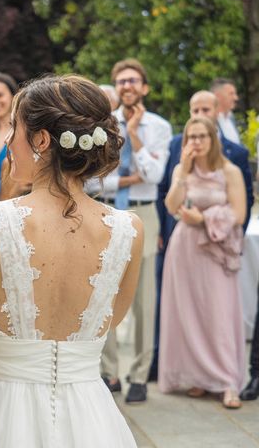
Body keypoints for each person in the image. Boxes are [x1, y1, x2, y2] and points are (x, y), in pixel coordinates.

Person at [0, 74, 143, 447]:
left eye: (12, 129)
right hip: (91, 418)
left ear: (40, 140)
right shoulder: (128, 229)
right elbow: (109, 319)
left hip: (2, 413)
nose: (6, 142)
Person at [86, 58, 172, 403]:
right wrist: (126, 178)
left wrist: (134, 135)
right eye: (121, 81)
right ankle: (109, 373)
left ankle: (139, 375)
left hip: (143, 212)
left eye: (134, 80)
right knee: (102, 293)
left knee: (142, 300)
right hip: (106, 209)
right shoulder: (100, 125)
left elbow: (154, 175)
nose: (127, 86)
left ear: (145, 87)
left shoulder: (159, 127)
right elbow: (92, 179)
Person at [153, 90, 254, 380]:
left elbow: (239, 213)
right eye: (191, 137)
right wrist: (183, 173)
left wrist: (203, 218)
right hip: (184, 248)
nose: (195, 142)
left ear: (213, 140)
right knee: (189, 314)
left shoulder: (230, 171)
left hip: (215, 246)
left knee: (218, 313)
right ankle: (198, 377)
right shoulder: (181, 169)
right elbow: (171, 205)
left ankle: (227, 380)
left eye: (201, 137)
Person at [211, 78, 240, 144]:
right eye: (231, 94)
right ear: (217, 96)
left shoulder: (231, 117)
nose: (236, 98)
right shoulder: (210, 120)